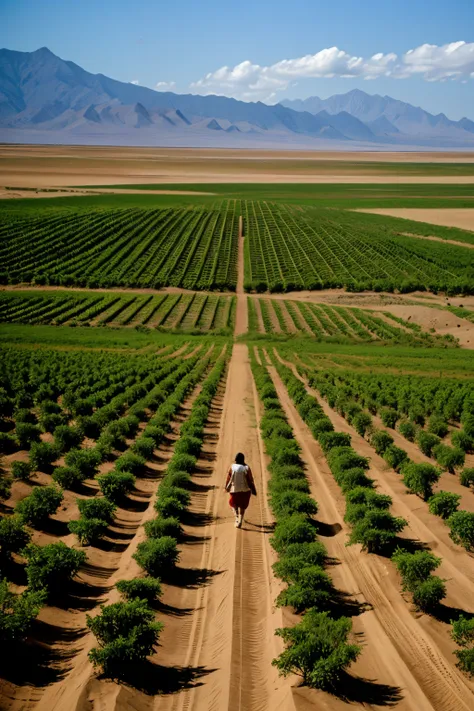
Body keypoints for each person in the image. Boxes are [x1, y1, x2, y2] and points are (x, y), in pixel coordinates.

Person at [225, 452, 257, 528]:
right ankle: (240, 520)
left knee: (233, 503)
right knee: (242, 506)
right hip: (245, 490)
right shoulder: (246, 468)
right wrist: (253, 489)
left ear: (235, 459)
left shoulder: (232, 467)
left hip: (234, 489)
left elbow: (228, 478)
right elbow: (250, 479)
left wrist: (226, 487)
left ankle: (236, 516)